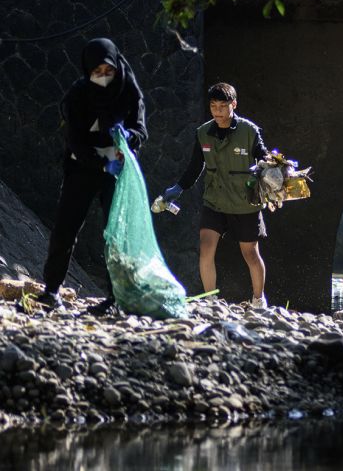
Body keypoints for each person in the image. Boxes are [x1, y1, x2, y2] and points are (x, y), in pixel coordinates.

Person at [35, 38, 147, 315]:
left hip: (117, 171)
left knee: (115, 233)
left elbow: (141, 131)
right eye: (97, 72)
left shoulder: (129, 92)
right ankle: (51, 290)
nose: (104, 78)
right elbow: (75, 140)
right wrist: (99, 162)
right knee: (65, 228)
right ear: (87, 70)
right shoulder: (78, 95)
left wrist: (127, 137)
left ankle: (116, 298)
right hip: (83, 168)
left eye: (108, 71)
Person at [160, 83, 269, 308]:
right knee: (206, 247)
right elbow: (194, 167)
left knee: (250, 253)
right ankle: (210, 300)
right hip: (215, 202)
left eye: (223, 106)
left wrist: (273, 168)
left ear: (234, 105)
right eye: (213, 106)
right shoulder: (203, 133)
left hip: (245, 203)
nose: (218, 111)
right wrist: (178, 188)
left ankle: (258, 299)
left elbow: (264, 157)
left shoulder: (249, 131)